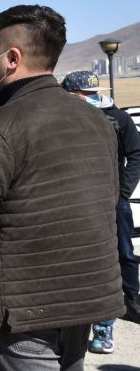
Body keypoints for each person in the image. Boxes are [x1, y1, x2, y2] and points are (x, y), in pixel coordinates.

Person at [0, 5, 123, 370]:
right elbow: (106, 204)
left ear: (12, 58)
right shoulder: (96, 122)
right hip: (84, 299)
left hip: (20, 313)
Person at [60, 70, 140, 353]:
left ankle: (117, 316)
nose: (90, 98)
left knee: (119, 256)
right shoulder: (60, 120)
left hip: (111, 201)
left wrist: (123, 192)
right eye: (83, 93)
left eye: (92, 93)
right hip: (71, 202)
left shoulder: (117, 118)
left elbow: (136, 153)